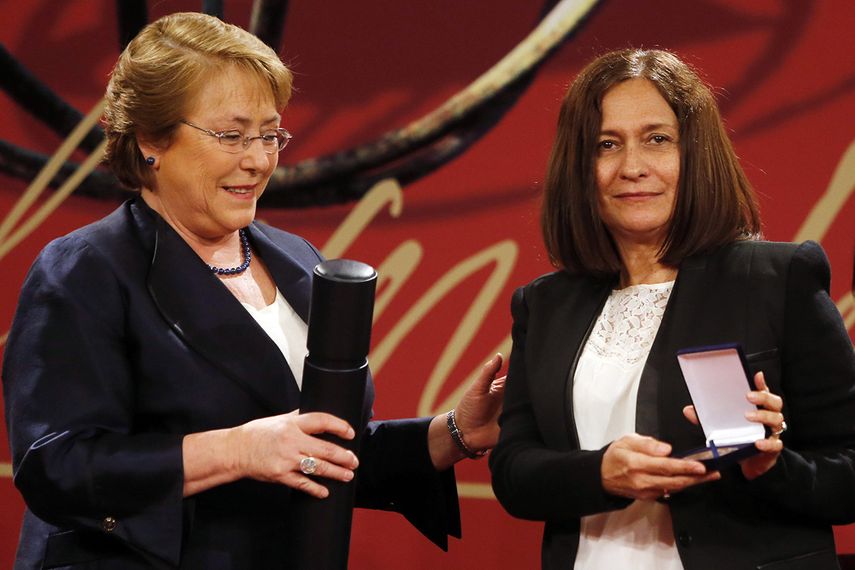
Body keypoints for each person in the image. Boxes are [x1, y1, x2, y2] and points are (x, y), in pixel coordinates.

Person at [1, 12, 505, 569]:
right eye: (231, 135)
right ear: (150, 140)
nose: (259, 160)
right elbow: (58, 465)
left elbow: (320, 449)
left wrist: (454, 433)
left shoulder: (296, 258)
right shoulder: (85, 270)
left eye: (271, 135)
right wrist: (237, 451)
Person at [489, 48, 855, 570]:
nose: (632, 167)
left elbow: (848, 469)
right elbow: (513, 472)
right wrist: (599, 475)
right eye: (606, 145)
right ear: (579, 166)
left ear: (696, 153)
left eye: (657, 139)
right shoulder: (544, 304)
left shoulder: (778, 279)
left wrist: (770, 468)